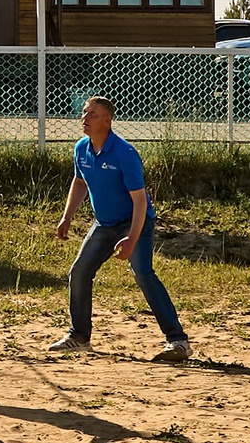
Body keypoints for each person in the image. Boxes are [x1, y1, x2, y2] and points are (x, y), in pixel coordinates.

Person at [49, 96, 191, 363]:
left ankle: (178, 341)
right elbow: (79, 182)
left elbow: (139, 201)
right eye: (84, 112)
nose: (85, 117)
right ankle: (79, 337)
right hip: (104, 224)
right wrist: (67, 217)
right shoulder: (81, 148)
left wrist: (131, 239)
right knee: (79, 271)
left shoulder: (124, 153)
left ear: (107, 120)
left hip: (134, 221)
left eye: (92, 114)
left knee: (143, 274)